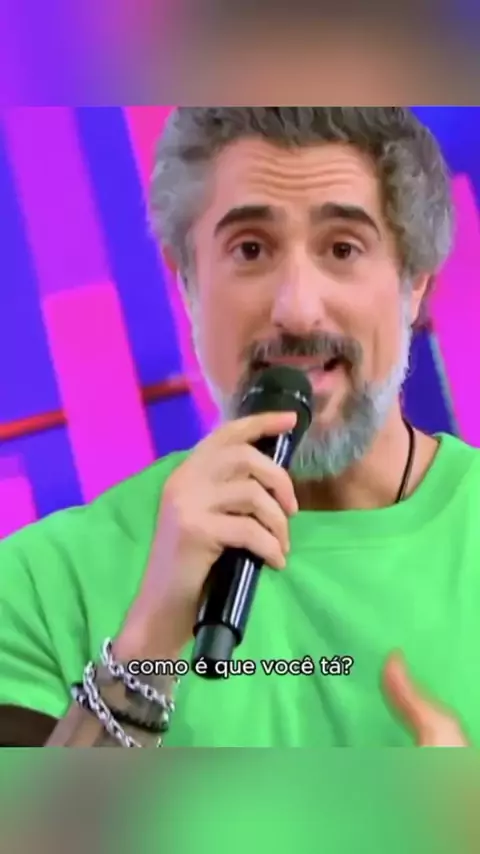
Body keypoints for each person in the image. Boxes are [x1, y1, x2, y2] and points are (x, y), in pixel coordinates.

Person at [0, 107, 476, 748]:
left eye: (343, 248)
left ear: (414, 283)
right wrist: (148, 641)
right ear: (187, 283)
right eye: (251, 249)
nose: (298, 310)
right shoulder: (41, 585)